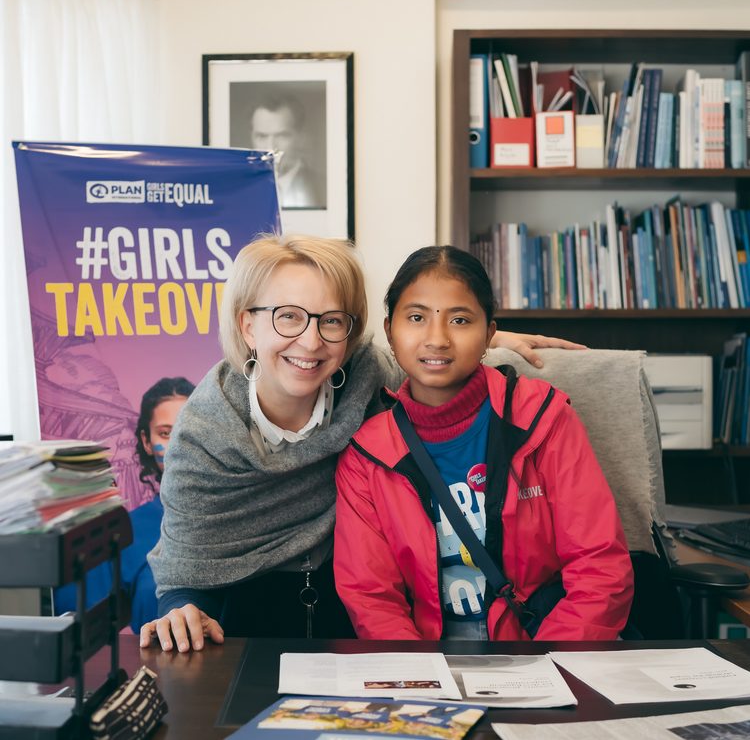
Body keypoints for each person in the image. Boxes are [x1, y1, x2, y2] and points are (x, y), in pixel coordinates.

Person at [141, 234, 584, 653]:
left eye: (331, 320)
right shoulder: (203, 433)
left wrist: (484, 337)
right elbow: (188, 564)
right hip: (250, 613)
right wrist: (182, 610)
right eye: (288, 316)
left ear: (350, 335)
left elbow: (423, 351)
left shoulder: (368, 380)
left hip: (352, 607)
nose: (311, 342)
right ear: (248, 327)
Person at [333, 245, 634, 641]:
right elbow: (372, 598)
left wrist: (546, 671)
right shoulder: (366, 456)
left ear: (489, 334)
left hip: (541, 651)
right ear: (390, 330)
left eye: (460, 319)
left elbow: (599, 567)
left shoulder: (543, 419)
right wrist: (420, 681)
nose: (436, 339)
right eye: (417, 317)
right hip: (425, 664)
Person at [53, 377, 194, 632]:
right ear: (146, 441)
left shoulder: (242, 518)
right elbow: (77, 621)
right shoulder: (124, 530)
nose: (178, 445)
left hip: (247, 663)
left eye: (188, 430)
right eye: (165, 433)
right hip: (161, 670)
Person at [249, 96, 324, 209]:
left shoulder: (326, 187)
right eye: (262, 136)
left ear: (300, 138)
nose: (270, 148)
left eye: (282, 136)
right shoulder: (238, 190)